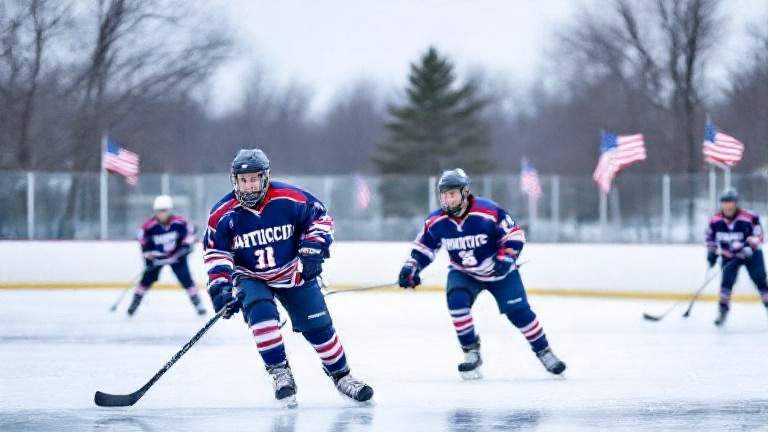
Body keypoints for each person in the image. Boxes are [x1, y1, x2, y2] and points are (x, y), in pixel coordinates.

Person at [204, 148, 373, 407]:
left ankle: (342, 376)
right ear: (234, 180)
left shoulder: (289, 198)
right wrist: (221, 287)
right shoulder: (223, 214)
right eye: (243, 180)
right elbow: (217, 252)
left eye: (254, 179)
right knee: (263, 320)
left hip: (293, 273)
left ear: (265, 178)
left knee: (320, 329)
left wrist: (313, 249)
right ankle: (280, 372)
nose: (248, 187)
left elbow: (320, 219)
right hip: (251, 277)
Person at [397, 168, 566, 379]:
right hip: (464, 273)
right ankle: (471, 352)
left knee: (520, 314)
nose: (447, 199)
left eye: (452, 194)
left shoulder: (488, 211)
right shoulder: (436, 221)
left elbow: (514, 235)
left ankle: (544, 351)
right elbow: (424, 248)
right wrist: (410, 268)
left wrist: (506, 257)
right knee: (457, 302)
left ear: (465, 193)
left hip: (500, 272)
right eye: (444, 194)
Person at [128, 195, 205, 316]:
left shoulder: (180, 222)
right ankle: (134, 304)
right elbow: (142, 240)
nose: (162, 214)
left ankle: (198, 305)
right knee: (146, 281)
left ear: (169, 210)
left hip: (176, 257)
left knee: (187, 280)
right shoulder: (149, 226)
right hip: (157, 259)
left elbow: (190, 233)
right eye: (159, 211)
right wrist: (147, 256)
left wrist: (186, 246)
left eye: (164, 210)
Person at [706, 188, 768, 326]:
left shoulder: (750, 217)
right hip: (730, 256)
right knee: (726, 284)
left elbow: (759, 236)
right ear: (721, 204)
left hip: (752, 255)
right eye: (725, 202)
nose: (728, 205)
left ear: (736, 203)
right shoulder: (715, 221)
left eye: (731, 202)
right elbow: (710, 239)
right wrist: (712, 254)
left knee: (761, 282)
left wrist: (746, 249)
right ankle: (722, 312)